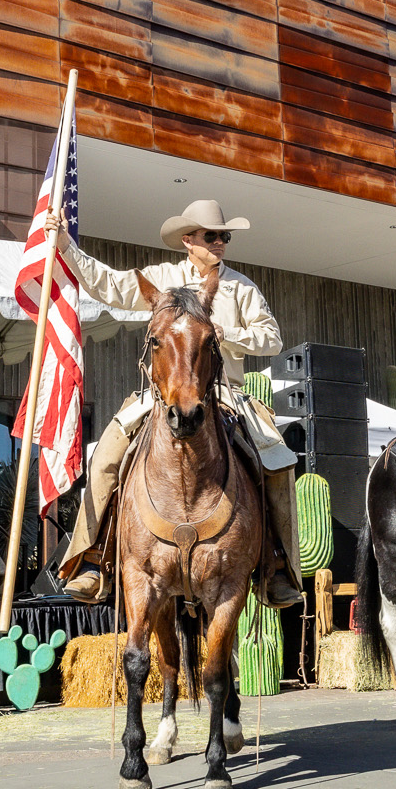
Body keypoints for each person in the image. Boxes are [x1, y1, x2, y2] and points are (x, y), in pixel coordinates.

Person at [49, 201, 304, 609]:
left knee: (278, 461)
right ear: (188, 240)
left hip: (225, 393)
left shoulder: (241, 288)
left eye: (224, 236)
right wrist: (65, 244)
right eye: (211, 235)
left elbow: (271, 338)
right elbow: (107, 284)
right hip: (163, 395)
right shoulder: (163, 281)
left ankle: (276, 564)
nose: (220, 242)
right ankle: (94, 557)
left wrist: (227, 333)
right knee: (105, 457)